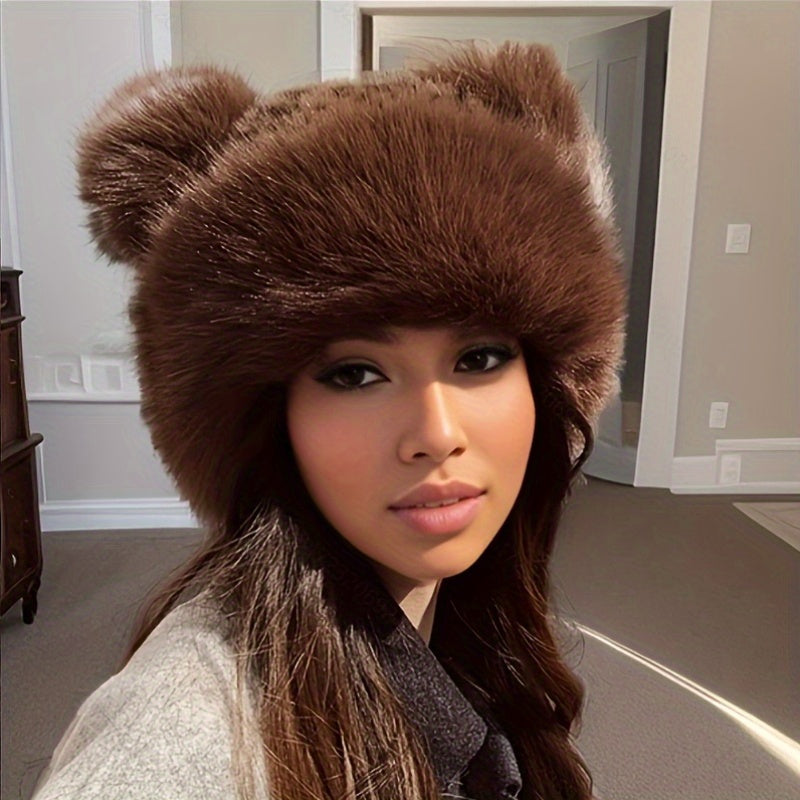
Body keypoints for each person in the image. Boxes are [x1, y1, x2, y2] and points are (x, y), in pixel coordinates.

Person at [32, 39, 627, 800]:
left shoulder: (466, 621)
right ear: (266, 416)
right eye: (355, 374)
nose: (437, 434)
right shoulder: (185, 731)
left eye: (478, 358)